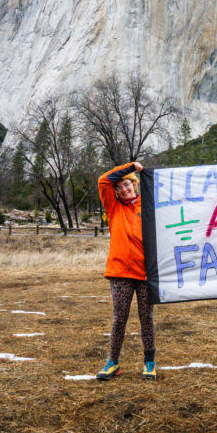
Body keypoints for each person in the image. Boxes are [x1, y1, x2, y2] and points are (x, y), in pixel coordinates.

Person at [95, 161, 157, 381]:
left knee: (146, 318)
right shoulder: (113, 207)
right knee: (119, 318)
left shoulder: (148, 205)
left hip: (144, 273)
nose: (123, 189)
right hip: (120, 272)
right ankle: (113, 363)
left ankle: (149, 363)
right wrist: (131, 166)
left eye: (127, 184)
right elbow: (103, 180)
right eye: (119, 187)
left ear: (135, 184)